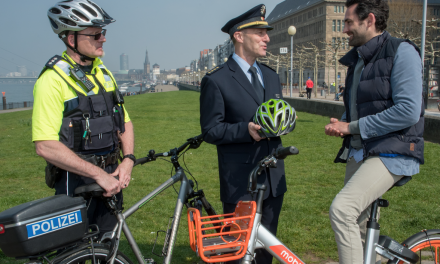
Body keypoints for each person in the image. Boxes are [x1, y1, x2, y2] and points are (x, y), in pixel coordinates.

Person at [324, 0, 424, 263]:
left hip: (393, 150)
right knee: (354, 228)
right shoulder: (358, 59)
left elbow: (408, 111)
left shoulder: (402, 52)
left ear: (369, 20)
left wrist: (352, 126)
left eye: (348, 22)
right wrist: (343, 124)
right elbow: (362, 106)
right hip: (361, 151)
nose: (344, 28)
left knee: (342, 210)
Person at [33, 0, 135, 238]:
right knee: (74, 249)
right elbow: (45, 145)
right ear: (72, 40)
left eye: (104, 32)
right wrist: (98, 175)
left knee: (109, 246)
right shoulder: (52, 80)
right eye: (96, 34)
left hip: (112, 177)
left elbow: (124, 122)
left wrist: (128, 159)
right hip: (75, 182)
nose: (104, 39)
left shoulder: (103, 72)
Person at [199, 4, 286, 263]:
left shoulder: (271, 77)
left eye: (266, 32)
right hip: (241, 183)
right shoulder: (217, 80)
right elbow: (211, 130)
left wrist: (286, 122)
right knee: (238, 254)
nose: (267, 38)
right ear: (239, 36)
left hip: (273, 180)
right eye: (260, 32)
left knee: (265, 254)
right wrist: (245, 131)